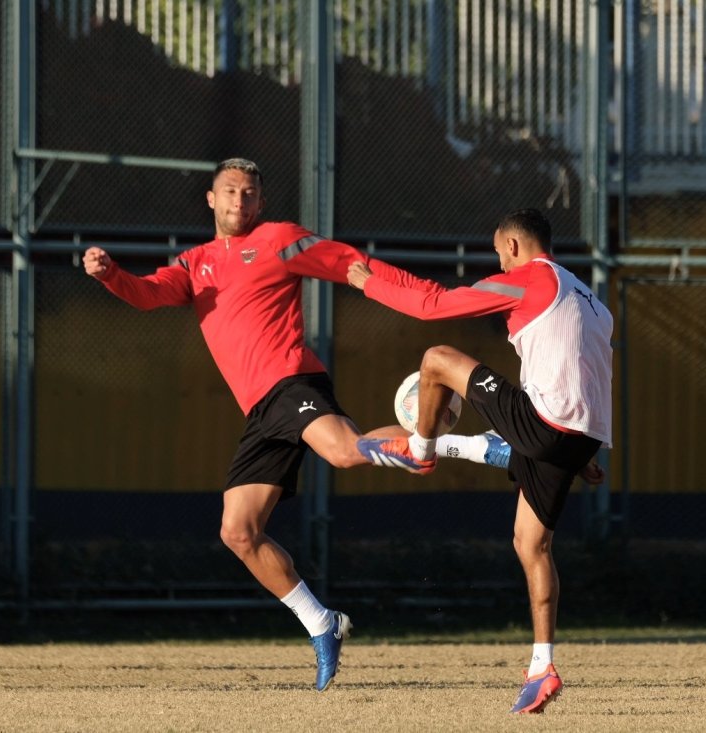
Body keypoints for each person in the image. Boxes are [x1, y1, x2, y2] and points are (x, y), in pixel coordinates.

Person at [83, 157, 511, 692]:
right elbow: (148, 293)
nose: (241, 200)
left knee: (342, 452)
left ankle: (476, 446)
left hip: (292, 382)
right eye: (231, 192)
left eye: (250, 193)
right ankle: (321, 622)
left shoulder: (278, 239)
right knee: (238, 531)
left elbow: (348, 262)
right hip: (261, 411)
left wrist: (407, 291)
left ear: (261, 203)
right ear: (211, 200)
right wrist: (111, 276)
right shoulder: (195, 265)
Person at [350, 208, 613, 714]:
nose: (497, 262)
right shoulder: (589, 297)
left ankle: (423, 451)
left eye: (497, 253)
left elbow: (432, 305)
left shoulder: (528, 282)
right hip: (579, 436)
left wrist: (367, 283)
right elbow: (586, 373)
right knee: (530, 544)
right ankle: (543, 668)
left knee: (436, 359)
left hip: (547, 425)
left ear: (512, 246)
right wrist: (582, 456)